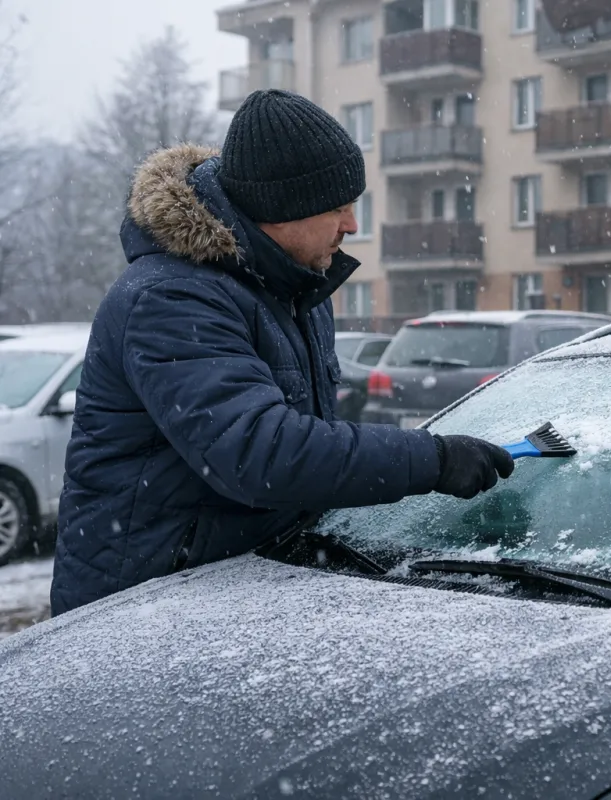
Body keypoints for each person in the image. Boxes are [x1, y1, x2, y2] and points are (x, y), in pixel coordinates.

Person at [50, 90, 513, 615]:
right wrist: (432, 459)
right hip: (138, 608)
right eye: (337, 207)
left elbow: (307, 455)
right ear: (280, 210)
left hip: (237, 589)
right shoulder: (171, 297)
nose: (352, 225)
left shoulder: (296, 290)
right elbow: (258, 454)